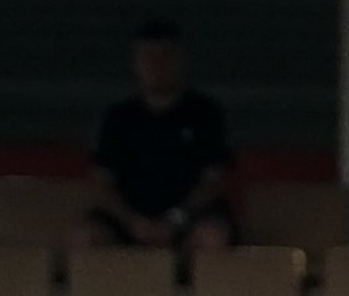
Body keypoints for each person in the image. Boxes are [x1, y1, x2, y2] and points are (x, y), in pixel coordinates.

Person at [80, 19, 236, 253]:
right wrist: (133, 221)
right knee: (83, 238)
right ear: (135, 63)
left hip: (188, 218)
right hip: (128, 220)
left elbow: (213, 181)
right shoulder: (117, 118)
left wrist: (175, 219)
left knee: (212, 237)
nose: (156, 64)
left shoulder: (205, 113)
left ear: (179, 61)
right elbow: (101, 182)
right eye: (148, 57)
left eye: (165, 56)